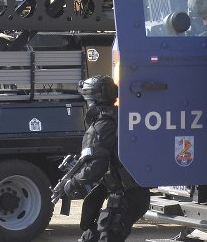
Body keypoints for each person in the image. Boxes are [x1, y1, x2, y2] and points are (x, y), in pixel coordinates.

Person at [64, 75, 150, 242]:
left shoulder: (103, 124)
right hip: (127, 194)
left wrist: (73, 183)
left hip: (128, 195)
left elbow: (97, 166)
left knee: (107, 236)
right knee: (90, 237)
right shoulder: (120, 118)